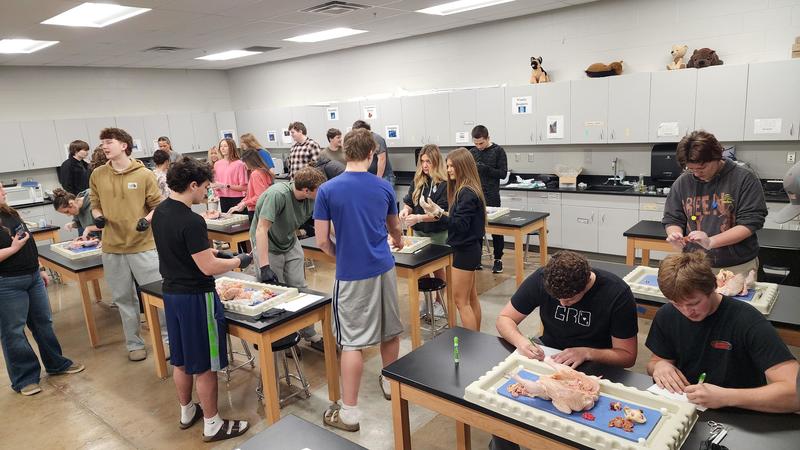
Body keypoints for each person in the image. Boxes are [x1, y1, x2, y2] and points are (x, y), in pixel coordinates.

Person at [490, 251, 639, 450]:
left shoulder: (616, 293)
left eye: (569, 300)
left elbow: (627, 356)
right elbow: (504, 319)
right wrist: (521, 341)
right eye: (557, 298)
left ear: (586, 283)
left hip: (595, 365)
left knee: (577, 424)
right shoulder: (544, 277)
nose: (562, 304)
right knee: (503, 411)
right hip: (550, 356)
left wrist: (587, 352)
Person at [151, 157, 252, 442]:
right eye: (205, 188)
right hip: (197, 297)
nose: (207, 193)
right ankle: (213, 423)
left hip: (171, 293)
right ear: (192, 185)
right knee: (206, 365)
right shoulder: (191, 220)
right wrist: (237, 261)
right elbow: (206, 267)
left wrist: (218, 255)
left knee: (181, 360)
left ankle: (187, 411)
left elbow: (187, 253)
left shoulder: (160, 212)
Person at [314, 128, 404, 432]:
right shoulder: (383, 188)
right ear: (372, 154)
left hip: (351, 274)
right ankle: (392, 384)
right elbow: (394, 229)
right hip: (384, 268)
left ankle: (349, 414)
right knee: (389, 331)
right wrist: (398, 240)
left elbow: (322, 240)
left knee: (352, 342)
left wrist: (345, 253)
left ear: (345, 152)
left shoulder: (327, 190)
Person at [646, 251, 799, 413]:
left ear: (713, 286)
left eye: (694, 303)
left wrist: (726, 397)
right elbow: (655, 362)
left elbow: (795, 393)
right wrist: (659, 366)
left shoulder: (747, 321)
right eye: (677, 304)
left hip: (740, 415)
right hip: (686, 409)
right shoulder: (667, 314)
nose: (686, 311)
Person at [89, 127, 168, 361]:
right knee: (123, 298)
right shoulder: (98, 175)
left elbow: (157, 205)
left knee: (158, 295)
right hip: (112, 247)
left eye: (109, 142)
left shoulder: (144, 175)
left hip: (143, 245)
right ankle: (134, 344)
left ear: (124, 145)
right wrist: (97, 217)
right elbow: (95, 204)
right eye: (102, 142)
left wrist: (146, 220)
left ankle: (168, 340)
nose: (104, 146)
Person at [0, 184, 85, 396]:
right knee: (13, 332)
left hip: (32, 276)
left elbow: (25, 240)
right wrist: (13, 249)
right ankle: (25, 378)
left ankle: (56, 364)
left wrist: (38, 268)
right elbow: (16, 245)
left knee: (43, 323)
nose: (4, 191)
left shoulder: (9, 212)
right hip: (7, 282)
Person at [662, 130, 767, 274]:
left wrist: (711, 242)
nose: (697, 174)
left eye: (702, 168)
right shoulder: (683, 182)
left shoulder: (744, 179)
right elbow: (673, 217)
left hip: (736, 266)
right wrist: (675, 234)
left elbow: (750, 223)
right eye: (691, 169)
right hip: (694, 264)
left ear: (717, 156)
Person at [251, 167, 327, 352]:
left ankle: (309, 334)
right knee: (276, 293)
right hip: (267, 244)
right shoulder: (277, 195)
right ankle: (280, 339)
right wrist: (264, 265)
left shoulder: (312, 199)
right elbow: (261, 230)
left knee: (300, 288)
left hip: (289, 241)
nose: (322, 191)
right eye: (319, 188)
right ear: (306, 190)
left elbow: (325, 223)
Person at [419, 147, 486, 331]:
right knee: (470, 299)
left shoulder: (466, 193)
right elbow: (461, 221)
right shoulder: (467, 189)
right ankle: (476, 339)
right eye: (447, 166)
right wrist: (439, 211)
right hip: (469, 249)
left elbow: (460, 226)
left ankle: (470, 344)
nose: (448, 170)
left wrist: (438, 214)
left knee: (460, 302)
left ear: (463, 166)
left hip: (465, 252)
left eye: (451, 166)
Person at [399, 144, 449, 317]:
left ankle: (439, 302)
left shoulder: (444, 184)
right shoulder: (419, 181)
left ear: (436, 162)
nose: (425, 165)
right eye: (422, 161)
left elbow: (440, 213)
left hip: (438, 233)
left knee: (438, 269)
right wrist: (406, 211)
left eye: (428, 161)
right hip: (419, 234)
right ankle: (427, 302)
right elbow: (409, 202)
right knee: (421, 270)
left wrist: (418, 218)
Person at [469, 125, 508, 273]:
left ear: (488, 138)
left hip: (492, 195)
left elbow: (503, 173)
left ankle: (498, 259)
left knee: (497, 230)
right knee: (476, 228)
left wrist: (485, 169)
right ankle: (476, 259)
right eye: (476, 143)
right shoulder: (472, 152)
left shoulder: (498, 151)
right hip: (476, 196)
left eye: (481, 143)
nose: (479, 146)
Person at [228, 149, 274, 222]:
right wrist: (242, 203)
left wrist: (245, 203)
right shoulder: (264, 171)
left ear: (250, 162)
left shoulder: (255, 174)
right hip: (264, 210)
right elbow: (253, 194)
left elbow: (259, 196)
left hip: (256, 211)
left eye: (245, 162)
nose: (244, 165)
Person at [352, 120, 395, 185]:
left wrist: (378, 179)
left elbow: (382, 160)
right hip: (372, 176)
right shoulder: (365, 139)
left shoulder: (376, 138)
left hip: (384, 177)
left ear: (363, 130)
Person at [212, 138, 248, 214]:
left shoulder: (240, 164)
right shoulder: (217, 164)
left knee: (240, 224)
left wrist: (225, 185)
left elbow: (244, 187)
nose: (222, 148)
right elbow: (216, 184)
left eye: (225, 146)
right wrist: (216, 188)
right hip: (223, 199)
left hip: (237, 199)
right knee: (227, 224)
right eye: (221, 146)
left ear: (231, 147)